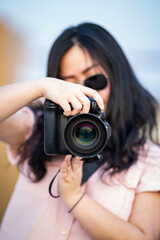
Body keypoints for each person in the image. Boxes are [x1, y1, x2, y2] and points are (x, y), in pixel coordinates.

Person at [0, 22, 160, 240]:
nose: (82, 93)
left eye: (95, 80)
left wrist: (75, 197)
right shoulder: (35, 131)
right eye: (66, 84)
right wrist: (39, 87)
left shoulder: (149, 158)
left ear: (118, 77)